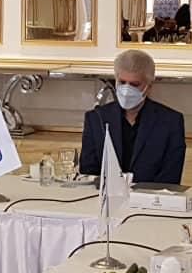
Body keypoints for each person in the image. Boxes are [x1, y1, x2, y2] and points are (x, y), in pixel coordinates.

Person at [79, 49, 186, 184]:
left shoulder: (171, 122)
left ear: (149, 86)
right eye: (122, 82)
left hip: (151, 196)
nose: (127, 89)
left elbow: (170, 177)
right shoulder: (96, 119)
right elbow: (88, 173)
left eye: (134, 84)